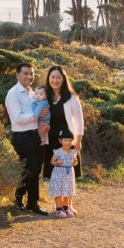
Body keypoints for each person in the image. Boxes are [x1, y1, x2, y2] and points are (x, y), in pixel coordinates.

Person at [4, 63, 49, 216]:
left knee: (36, 169)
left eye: (31, 74)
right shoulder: (13, 93)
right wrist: (36, 116)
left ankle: (32, 202)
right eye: (25, 73)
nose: (29, 77)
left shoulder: (33, 93)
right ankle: (18, 197)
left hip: (36, 135)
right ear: (17, 75)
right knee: (29, 169)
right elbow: (16, 118)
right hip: (22, 136)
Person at [42, 65, 84, 215]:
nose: (55, 80)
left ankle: (69, 205)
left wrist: (78, 141)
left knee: (69, 171)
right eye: (52, 77)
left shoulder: (71, 97)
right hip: (51, 140)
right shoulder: (44, 95)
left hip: (68, 140)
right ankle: (58, 206)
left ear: (63, 79)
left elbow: (79, 120)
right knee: (56, 173)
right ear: (48, 78)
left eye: (58, 77)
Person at [49, 129, 78, 218]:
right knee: (59, 191)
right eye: (65, 140)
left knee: (67, 192)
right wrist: (57, 163)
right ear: (60, 141)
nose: (67, 143)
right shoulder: (58, 151)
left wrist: (74, 162)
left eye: (70, 140)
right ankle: (59, 209)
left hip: (68, 175)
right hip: (58, 174)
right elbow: (52, 161)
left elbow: (74, 163)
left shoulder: (73, 152)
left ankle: (66, 208)